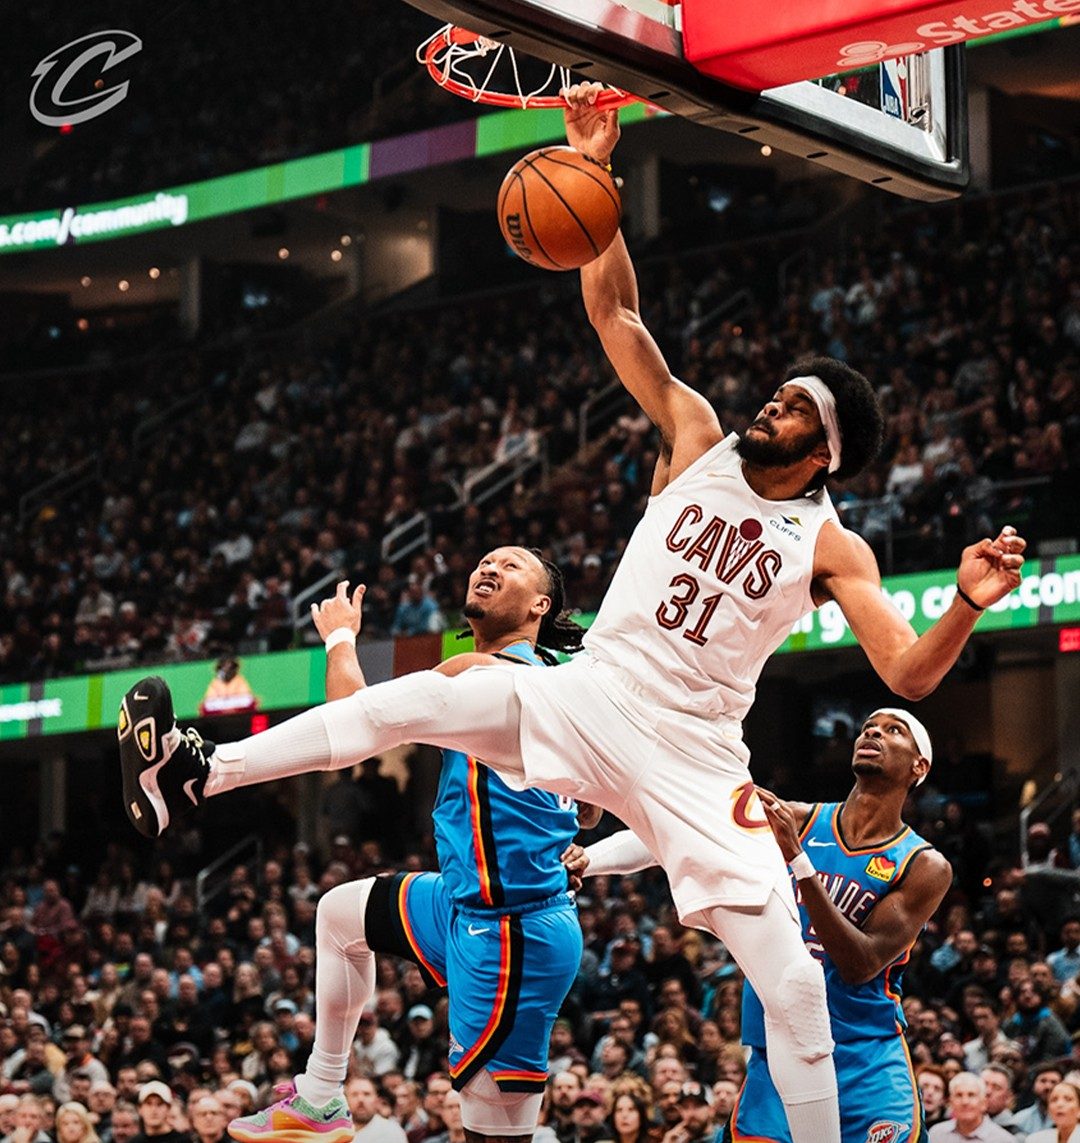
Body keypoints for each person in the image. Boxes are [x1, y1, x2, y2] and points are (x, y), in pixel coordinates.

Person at [118, 112, 1026, 1143]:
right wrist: (593, 174)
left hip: (694, 751)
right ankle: (201, 772)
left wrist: (965, 601)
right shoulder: (698, 438)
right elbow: (616, 316)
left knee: (795, 989)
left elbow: (906, 673)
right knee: (434, 693)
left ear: (826, 451)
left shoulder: (836, 548)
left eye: (795, 408)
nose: (770, 405)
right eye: (777, 394)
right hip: (593, 688)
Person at [213, 552, 596, 1143]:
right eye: (486, 560)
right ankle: (319, 1097)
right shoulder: (559, 685)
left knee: (492, 1135)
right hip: (461, 903)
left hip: (513, 933)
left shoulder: (479, 670)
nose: (489, 566)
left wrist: (340, 636)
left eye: (512, 566)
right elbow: (591, 806)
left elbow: (352, 721)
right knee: (340, 915)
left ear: (541, 606)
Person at [585, 708, 950, 1143]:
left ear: (918, 767)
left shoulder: (924, 864)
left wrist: (799, 862)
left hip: (865, 1059)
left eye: (895, 731)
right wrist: (589, 860)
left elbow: (860, 963)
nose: (874, 731)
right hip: (778, 1052)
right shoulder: (794, 819)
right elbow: (680, 829)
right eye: (870, 725)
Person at [929, 1073, 1015, 1143]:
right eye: (959, 1095)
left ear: (984, 1103)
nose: (965, 1102)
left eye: (971, 1095)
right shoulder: (936, 1134)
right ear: (951, 1103)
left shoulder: (1004, 1140)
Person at [344, 1076, 408, 1143]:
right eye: (355, 1094)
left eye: (366, 1094)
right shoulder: (336, 1130)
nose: (361, 1099)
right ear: (346, 1099)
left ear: (376, 1099)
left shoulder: (393, 1132)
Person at [1015, 1065, 1064, 1138]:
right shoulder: (1019, 1119)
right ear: (1034, 1085)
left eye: (1054, 1082)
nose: (1048, 1086)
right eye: (1043, 1081)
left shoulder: (1071, 1118)